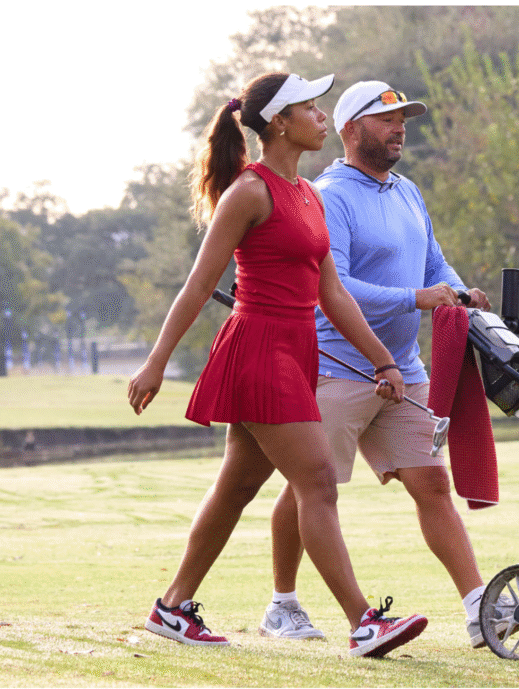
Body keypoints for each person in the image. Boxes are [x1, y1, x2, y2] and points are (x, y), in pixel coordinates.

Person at [127, 71, 427, 658]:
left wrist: (383, 361)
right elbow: (198, 285)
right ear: (280, 122)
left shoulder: (310, 194)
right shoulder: (249, 191)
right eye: (310, 108)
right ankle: (363, 622)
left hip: (295, 349)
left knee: (237, 486)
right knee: (317, 481)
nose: (322, 117)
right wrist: (156, 362)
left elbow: (331, 293)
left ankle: (172, 607)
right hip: (258, 350)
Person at [258, 80, 499, 648]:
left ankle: (479, 610)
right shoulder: (329, 195)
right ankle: (283, 605)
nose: (399, 129)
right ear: (351, 129)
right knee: (308, 487)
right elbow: (335, 288)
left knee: (432, 484)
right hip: (336, 367)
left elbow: (434, 265)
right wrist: (419, 299)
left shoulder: (407, 191)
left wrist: (460, 294)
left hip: (403, 368)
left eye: (403, 120)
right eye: (386, 119)